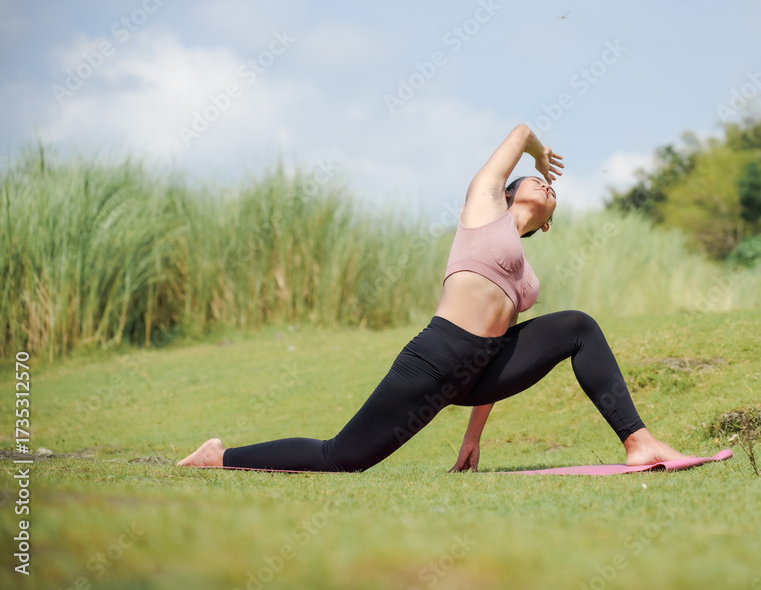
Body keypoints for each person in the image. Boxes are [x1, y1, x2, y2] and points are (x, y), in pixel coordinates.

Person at [177, 125, 690, 472]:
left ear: (548, 222)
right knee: (344, 458)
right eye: (534, 180)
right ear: (508, 194)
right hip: (436, 357)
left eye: (549, 188)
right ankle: (220, 457)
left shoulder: (526, 277)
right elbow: (518, 133)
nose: (543, 183)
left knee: (578, 326)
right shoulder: (482, 211)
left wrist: (473, 435)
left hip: (479, 369)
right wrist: (536, 150)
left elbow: (502, 342)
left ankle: (638, 442)